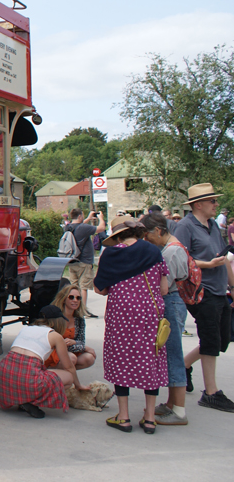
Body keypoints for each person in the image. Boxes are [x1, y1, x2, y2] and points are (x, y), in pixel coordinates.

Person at [94, 215, 169, 433]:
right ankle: (150, 418)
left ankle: (124, 417)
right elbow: (164, 289)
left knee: (121, 358)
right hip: (150, 314)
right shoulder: (153, 251)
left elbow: (100, 288)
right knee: (150, 358)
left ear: (117, 235)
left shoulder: (111, 254)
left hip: (121, 314)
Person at [173, 183, 234, 412]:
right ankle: (211, 393)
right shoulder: (185, 226)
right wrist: (207, 264)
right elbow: (179, 258)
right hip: (201, 291)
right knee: (210, 340)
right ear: (198, 204)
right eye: (212, 201)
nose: (216, 204)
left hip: (219, 289)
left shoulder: (212, 225)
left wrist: (232, 286)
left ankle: (185, 365)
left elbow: (224, 257)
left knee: (222, 339)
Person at [0, 304, 87, 419]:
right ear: (58, 321)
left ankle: (22, 400)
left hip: (3, 374)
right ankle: (29, 401)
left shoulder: (27, 328)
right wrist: (78, 385)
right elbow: (68, 367)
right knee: (68, 378)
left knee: (30, 373)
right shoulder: (55, 336)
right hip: (27, 377)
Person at [140, 211, 191, 425]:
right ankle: (171, 404)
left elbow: (164, 285)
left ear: (158, 231)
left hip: (170, 301)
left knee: (173, 354)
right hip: (174, 300)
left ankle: (179, 410)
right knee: (170, 353)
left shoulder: (170, 252)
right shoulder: (174, 247)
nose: (147, 240)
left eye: (148, 235)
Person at [63, 208, 105, 316]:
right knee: (83, 287)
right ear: (80, 216)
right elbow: (101, 228)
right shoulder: (83, 228)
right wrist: (101, 218)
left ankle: (73, 309)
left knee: (74, 286)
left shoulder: (68, 227)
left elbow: (80, 226)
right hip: (84, 261)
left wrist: (88, 218)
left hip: (72, 261)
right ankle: (82, 310)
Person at [48, 285, 97, 370]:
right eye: (71, 297)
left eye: (78, 298)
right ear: (64, 299)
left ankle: (65, 373)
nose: (75, 300)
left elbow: (81, 342)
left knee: (89, 358)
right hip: (53, 351)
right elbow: (56, 344)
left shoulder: (79, 319)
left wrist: (73, 343)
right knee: (71, 358)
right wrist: (84, 347)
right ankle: (55, 373)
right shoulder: (56, 316)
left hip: (70, 351)